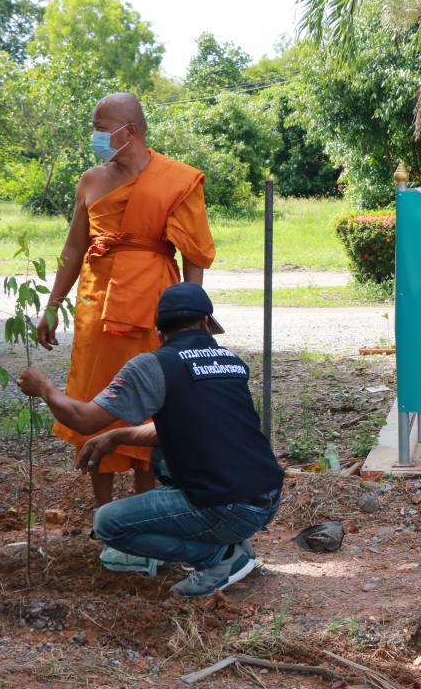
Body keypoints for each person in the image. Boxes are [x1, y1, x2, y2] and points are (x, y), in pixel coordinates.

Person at [18, 282, 284, 596]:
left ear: (158, 332)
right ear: (205, 323)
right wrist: (119, 436)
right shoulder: (230, 361)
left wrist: (45, 388)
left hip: (230, 507)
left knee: (108, 524)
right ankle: (229, 538)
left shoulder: (153, 365)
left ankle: (217, 557)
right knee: (162, 459)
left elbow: (83, 419)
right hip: (267, 497)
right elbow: (197, 425)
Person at [38, 92, 217, 508]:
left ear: (130, 130)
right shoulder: (91, 180)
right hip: (96, 303)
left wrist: (194, 317)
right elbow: (73, 249)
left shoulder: (177, 179)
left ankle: (144, 506)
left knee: (150, 397)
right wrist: (52, 305)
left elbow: (193, 254)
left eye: (101, 128)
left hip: (152, 301)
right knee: (95, 395)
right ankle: (102, 513)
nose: (95, 137)